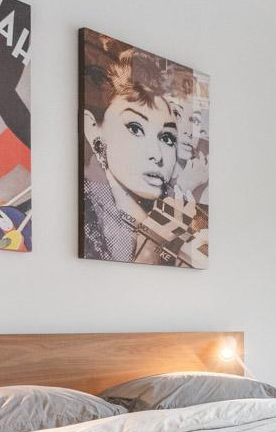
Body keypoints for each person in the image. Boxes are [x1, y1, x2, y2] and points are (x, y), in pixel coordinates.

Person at [79, 32, 207, 267]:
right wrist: (158, 234)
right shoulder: (89, 216)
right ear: (93, 128)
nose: (157, 155)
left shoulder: (180, 213)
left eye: (167, 138)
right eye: (136, 128)